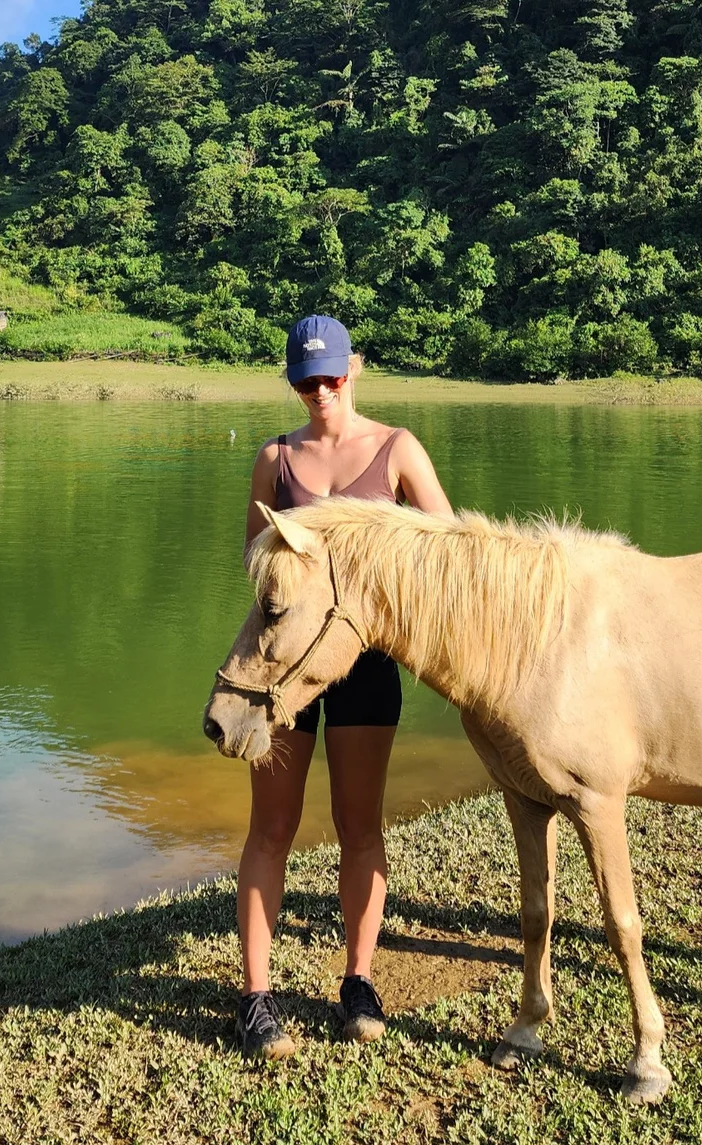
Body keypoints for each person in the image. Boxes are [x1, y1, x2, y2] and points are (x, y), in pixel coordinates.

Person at [235, 315, 452, 1059]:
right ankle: (256, 998)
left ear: (353, 368)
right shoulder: (275, 459)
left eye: (330, 376)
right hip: (290, 672)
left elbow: (447, 548)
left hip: (367, 668)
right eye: (305, 379)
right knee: (272, 828)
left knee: (360, 827)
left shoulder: (396, 449)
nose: (320, 391)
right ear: (292, 379)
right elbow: (254, 566)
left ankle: (357, 980)